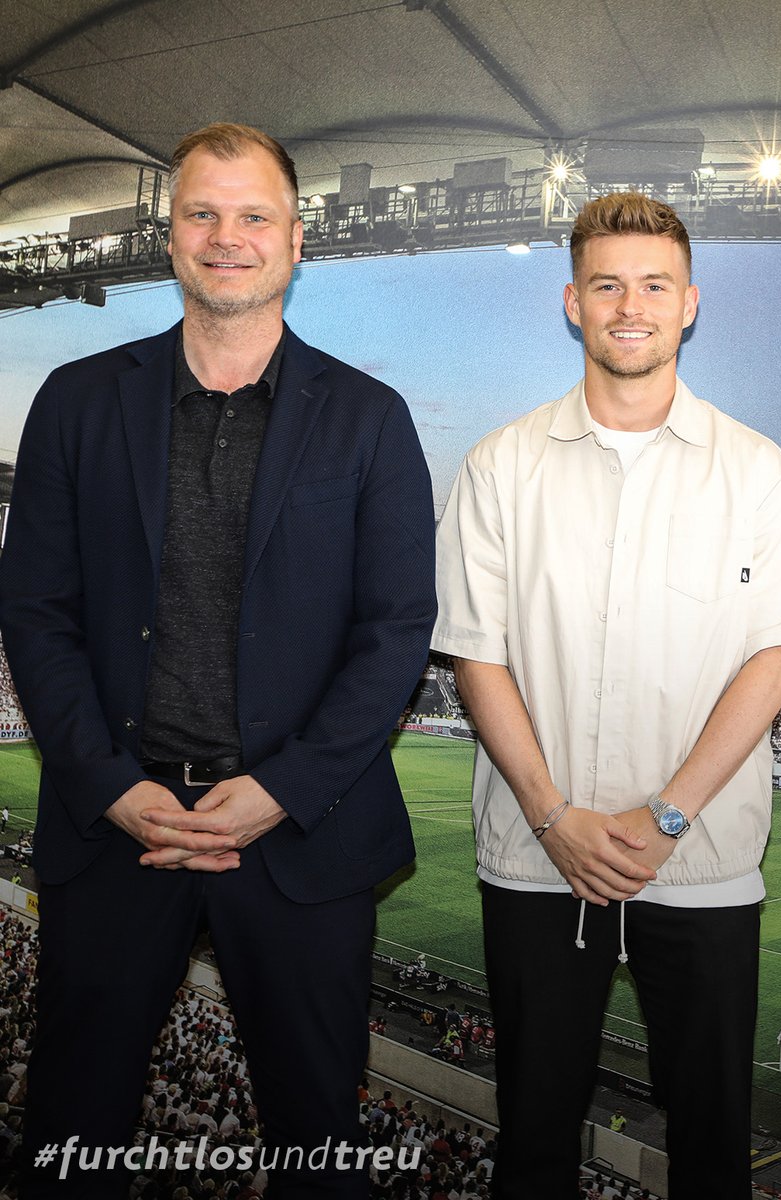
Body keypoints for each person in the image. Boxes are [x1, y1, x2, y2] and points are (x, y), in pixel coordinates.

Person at [0, 122, 437, 1198]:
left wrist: (279, 791)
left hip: (299, 847)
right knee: (72, 1136)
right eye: (203, 213)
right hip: (117, 841)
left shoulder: (372, 420)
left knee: (314, 1145)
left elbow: (395, 633)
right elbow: (36, 612)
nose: (226, 236)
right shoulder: (77, 403)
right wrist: (111, 788)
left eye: (252, 217)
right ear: (171, 236)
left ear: (295, 241)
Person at [432, 191, 781, 1199]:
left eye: (653, 285)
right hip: (535, 861)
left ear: (689, 304)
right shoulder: (499, 466)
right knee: (531, 1143)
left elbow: (771, 663)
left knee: (710, 1149)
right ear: (573, 303)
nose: (630, 306)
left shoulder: (759, 472)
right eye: (607, 285)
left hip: (699, 865)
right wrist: (554, 816)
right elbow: (480, 658)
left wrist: (666, 815)